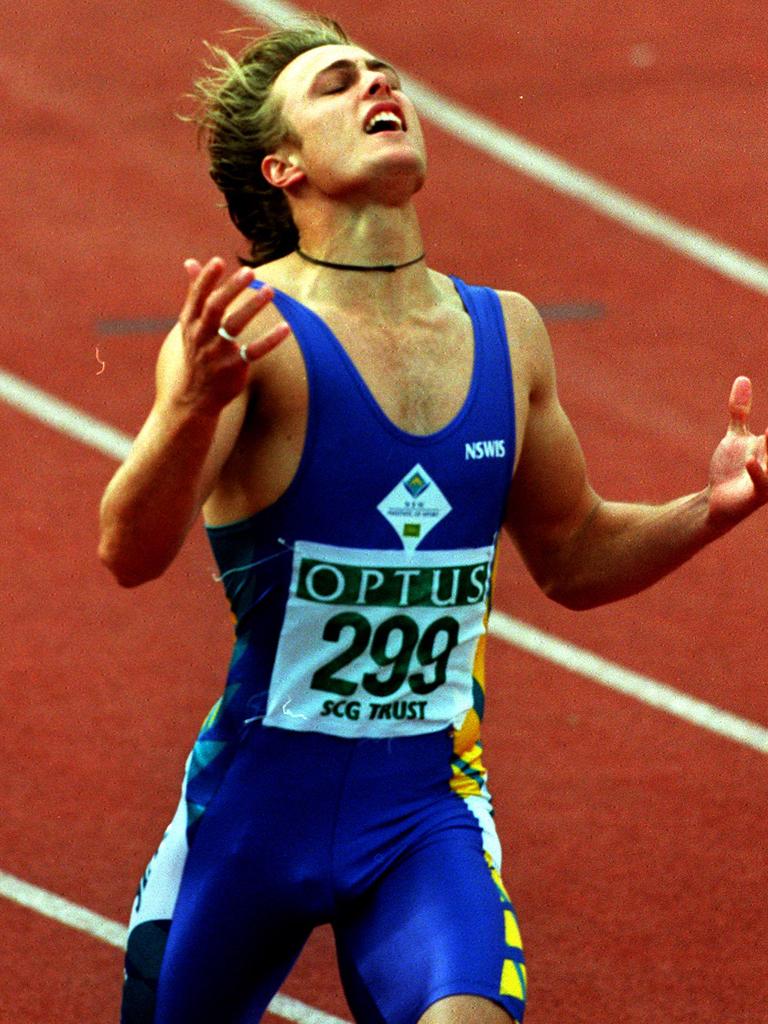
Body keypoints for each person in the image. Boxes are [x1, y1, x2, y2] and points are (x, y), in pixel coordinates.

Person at [99, 15, 768, 1024]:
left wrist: (710, 510)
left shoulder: (509, 333)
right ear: (282, 167)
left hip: (425, 812)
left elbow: (576, 555)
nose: (378, 86)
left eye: (383, 73)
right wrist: (191, 408)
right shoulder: (245, 330)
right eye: (335, 84)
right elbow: (128, 551)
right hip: (246, 820)